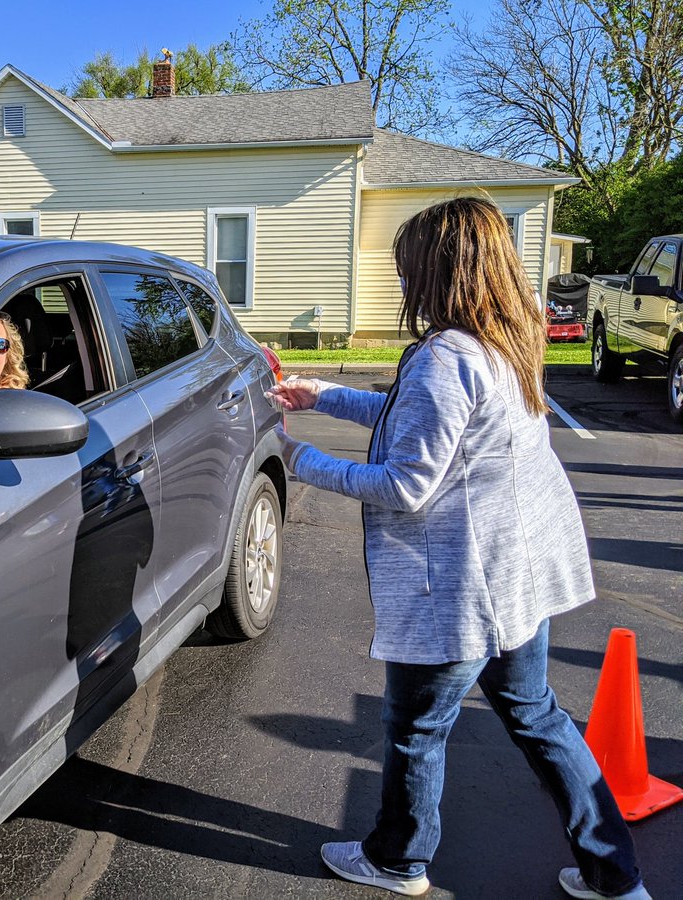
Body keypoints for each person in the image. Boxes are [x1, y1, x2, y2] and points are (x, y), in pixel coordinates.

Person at [267, 197, 649, 899]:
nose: (403, 284)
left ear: (443, 271)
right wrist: (320, 393)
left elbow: (406, 483)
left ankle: (397, 861)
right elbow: (412, 418)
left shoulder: (448, 357)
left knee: (416, 729)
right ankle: (616, 877)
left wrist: (299, 461)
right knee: (539, 717)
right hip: (516, 575)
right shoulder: (504, 343)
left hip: (462, 588)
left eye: (409, 269)